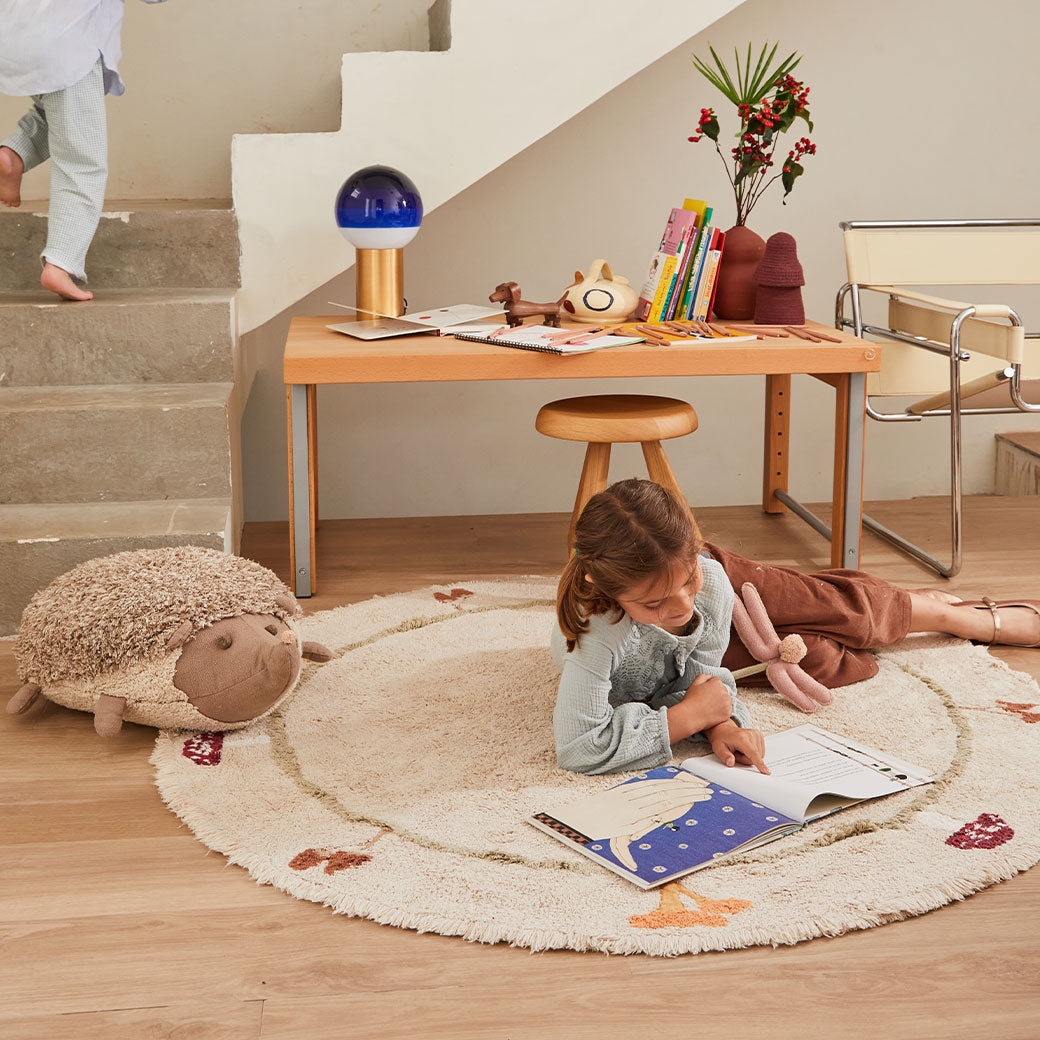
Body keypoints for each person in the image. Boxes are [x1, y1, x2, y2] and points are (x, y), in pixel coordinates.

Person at [552, 478, 1040, 776]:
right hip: (649, 646)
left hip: (726, 584)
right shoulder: (597, 632)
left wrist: (717, 718)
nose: (681, 607)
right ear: (605, 587)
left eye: (688, 584)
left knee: (830, 608)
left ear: (695, 549)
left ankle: (941, 613)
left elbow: (700, 676)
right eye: (656, 603)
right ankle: (905, 607)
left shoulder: (709, 583)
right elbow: (579, 748)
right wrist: (704, 719)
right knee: (825, 660)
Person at [0, 0, 166, 301]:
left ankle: (12, 156)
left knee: (61, 116)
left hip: (15, 38)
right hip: (67, 44)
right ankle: (61, 263)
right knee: (81, 162)